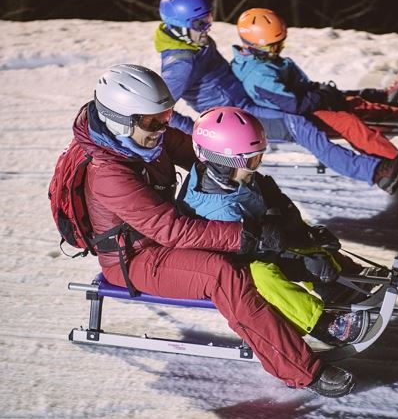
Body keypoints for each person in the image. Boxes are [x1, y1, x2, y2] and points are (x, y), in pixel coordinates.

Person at [74, 63, 355, 397]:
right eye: (153, 121)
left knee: (259, 238)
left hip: (163, 240)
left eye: (166, 116)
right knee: (223, 273)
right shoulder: (108, 173)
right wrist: (245, 234)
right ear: (118, 119)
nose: (162, 128)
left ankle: (336, 284)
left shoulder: (142, 139)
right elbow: (171, 230)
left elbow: (198, 149)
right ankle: (302, 371)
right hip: (136, 258)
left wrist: (232, 156)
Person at [155, 0, 398, 194]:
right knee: (300, 125)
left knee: (319, 112)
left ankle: (388, 123)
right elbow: (158, 109)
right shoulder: (180, 64)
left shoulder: (196, 43)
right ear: (179, 27)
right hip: (237, 118)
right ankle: (378, 172)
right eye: (200, 24)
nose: (208, 27)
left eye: (209, 19)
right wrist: (196, 130)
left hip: (247, 104)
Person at [178, 106, 371, 346]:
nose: (257, 165)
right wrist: (298, 259)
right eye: (251, 160)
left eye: (259, 156)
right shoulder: (218, 209)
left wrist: (305, 236)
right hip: (227, 266)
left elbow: (271, 227)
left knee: (295, 239)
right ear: (223, 161)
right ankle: (323, 325)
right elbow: (249, 254)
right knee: (263, 275)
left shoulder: (234, 178)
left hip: (253, 244)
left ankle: (338, 288)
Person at [233, 7, 398, 160]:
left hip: (304, 105)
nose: (280, 49)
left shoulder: (265, 61)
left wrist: (322, 93)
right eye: (275, 45)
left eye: (281, 43)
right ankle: (393, 164)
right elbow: (292, 104)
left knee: (347, 100)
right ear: (257, 44)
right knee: (349, 122)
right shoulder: (257, 74)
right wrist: (322, 97)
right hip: (295, 117)